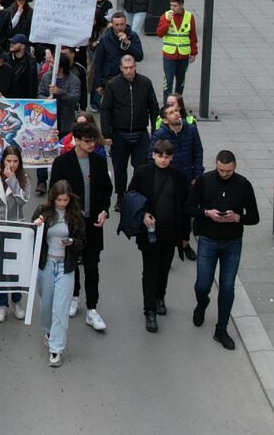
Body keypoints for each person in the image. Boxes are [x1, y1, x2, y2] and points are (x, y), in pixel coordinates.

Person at [43, 127, 112, 334]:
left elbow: (106, 190)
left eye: (94, 141)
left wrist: (104, 211)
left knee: (92, 265)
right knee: (71, 263)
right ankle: (73, 297)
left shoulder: (99, 162)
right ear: (77, 140)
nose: (92, 145)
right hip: (70, 224)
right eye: (88, 141)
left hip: (93, 223)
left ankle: (92, 308)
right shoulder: (62, 163)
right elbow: (53, 192)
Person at [188, 149, 258, 349]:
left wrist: (237, 217)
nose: (224, 174)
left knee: (227, 287)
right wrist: (207, 213)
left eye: (228, 171)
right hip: (208, 239)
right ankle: (201, 304)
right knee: (203, 284)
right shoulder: (204, 181)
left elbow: (254, 216)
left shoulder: (243, 185)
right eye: (221, 170)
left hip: (232, 242)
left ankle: (221, 329)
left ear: (235, 167)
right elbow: (189, 208)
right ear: (216, 165)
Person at [123, 135, 191, 332]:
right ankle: (149, 309)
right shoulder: (143, 173)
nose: (163, 159)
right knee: (150, 270)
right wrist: (143, 214)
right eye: (160, 156)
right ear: (153, 155)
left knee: (164, 267)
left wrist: (184, 236)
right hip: (150, 232)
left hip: (170, 232)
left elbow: (184, 209)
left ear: (172, 158)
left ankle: (160, 296)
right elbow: (131, 196)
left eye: (167, 156)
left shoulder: (179, 177)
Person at [32, 182, 87, 368]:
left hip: (66, 266)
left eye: (65, 200)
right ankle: (48, 331)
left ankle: (56, 348)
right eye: (59, 200)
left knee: (61, 308)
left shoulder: (76, 216)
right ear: (53, 198)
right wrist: (37, 225)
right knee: (46, 305)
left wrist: (72, 242)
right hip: (46, 264)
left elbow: (83, 242)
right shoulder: (43, 211)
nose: (62, 203)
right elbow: (31, 234)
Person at [97, 52, 160, 202]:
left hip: (140, 132)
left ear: (135, 67)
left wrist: (155, 130)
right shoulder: (113, 85)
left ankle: (137, 193)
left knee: (141, 166)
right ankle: (121, 195)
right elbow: (106, 109)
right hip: (120, 133)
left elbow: (153, 107)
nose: (129, 71)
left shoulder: (145, 83)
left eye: (131, 67)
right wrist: (107, 134)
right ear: (120, 68)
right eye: (125, 68)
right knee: (119, 168)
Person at [0, 147, 33, 323]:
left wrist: (12, 181)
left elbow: (22, 200)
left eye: (15, 161)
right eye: (8, 160)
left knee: (16, 268)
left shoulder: (23, 178)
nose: (11, 165)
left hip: (16, 227)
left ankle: (17, 301)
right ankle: (2, 304)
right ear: (3, 160)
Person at [157, 0, 197, 102]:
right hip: (169, 54)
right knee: (168, 81)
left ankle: (178, 104)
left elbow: (192, 35)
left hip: (183, 55)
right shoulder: (166, 16)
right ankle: (167, 103)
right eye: (171, 5)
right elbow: (160, 33)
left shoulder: (189, 16)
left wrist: (193, 53)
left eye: (175, 6)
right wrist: (167, 21)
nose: (172, 8)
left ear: (181, 5)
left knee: (181, 81)